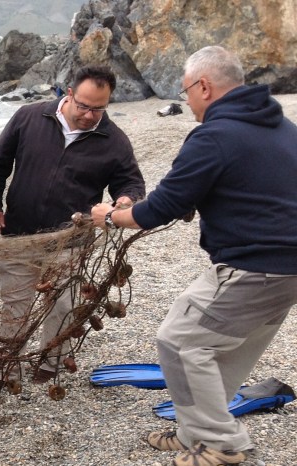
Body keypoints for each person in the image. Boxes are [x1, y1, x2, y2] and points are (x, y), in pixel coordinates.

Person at [92, 45, 297, 466]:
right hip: (288, 272)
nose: (186, 102)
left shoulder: (215, 135)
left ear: (204, 86)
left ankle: (221, 445)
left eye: (187, 92)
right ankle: (194, 433)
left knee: (180, 341)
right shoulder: (284, 128)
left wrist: (112, 216)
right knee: (227, 348)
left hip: (254, 266)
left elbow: (159, 208)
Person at [0, 64, 145, 387]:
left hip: (71, 242)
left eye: (98, 109)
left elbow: (131, 183)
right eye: (83, 105)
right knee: (15, 305)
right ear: (69, 94)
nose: (89, 115)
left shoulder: (114, 140)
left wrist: (125, 201)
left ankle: (50, 363)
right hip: (19, 234)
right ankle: (7, 369)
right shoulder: (29, 117)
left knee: (62, 305)